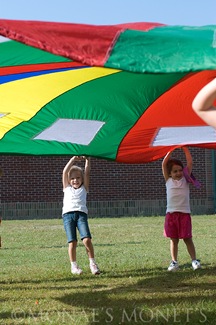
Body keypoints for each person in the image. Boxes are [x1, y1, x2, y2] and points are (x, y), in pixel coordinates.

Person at [162, 146, 201, 272]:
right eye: (175, 171)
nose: (178, 173)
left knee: (187, 238)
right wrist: (171, 150)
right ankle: (174, 262)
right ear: (169, 173)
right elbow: (164, 163)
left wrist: (184, 148)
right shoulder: (168, 181)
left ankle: (194, 260)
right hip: (171, 214)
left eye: (180, 170)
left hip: (184, 214)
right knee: (174, 239)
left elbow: (190, 162)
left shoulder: (185, 179)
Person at [62, 155, 100, 275]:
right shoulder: (67, 188)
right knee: (72, 242)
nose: (75, 180)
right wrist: (73, 159)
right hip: (68, 216)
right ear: (69, 180)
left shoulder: (84, 188)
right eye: (72, 178)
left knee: (87, 239)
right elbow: (65, 172)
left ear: (82, 179)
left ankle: (92, 263)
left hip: (81, 215)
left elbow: (87, 173)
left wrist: (88, 159)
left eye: (78, 178)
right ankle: (74, 266)